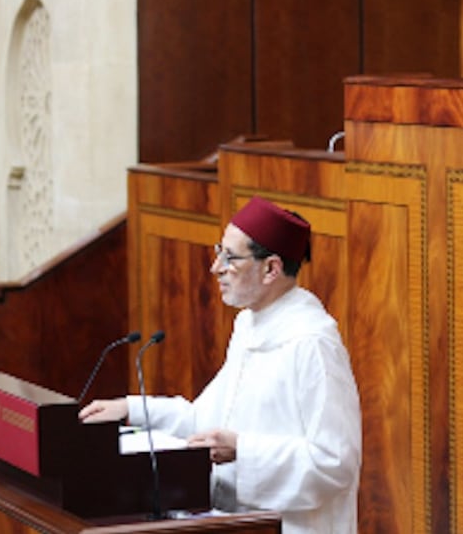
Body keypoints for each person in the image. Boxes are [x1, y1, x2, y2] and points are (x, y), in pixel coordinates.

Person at [80, 196, 361, 533]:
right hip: (236, 522)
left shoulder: (312, 343)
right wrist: (130, 408)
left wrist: (243, 449)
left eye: (230, 258)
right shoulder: (249, 326)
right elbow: (207, 422)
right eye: (219, 252)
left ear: (271, 268)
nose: (216, 268)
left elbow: (335, 463)